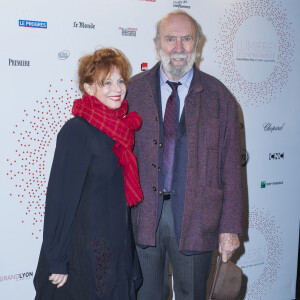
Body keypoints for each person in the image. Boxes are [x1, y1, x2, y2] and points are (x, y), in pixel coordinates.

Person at [126, 10, 243, 300]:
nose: (178, 48)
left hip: (198, 218)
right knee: (146, 296)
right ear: (157, 44)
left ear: (198, 42)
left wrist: (229, 227)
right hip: (144, 215)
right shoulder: (132, 91)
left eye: (186, 39)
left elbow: (231, 166)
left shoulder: (220, 98)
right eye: (170, 39)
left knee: (192, 295)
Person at [34, 48, 143, 300]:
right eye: (106, 82)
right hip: (85, 251)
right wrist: (57, 260)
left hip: (116, 244)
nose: (117, 88)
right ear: (89, 87)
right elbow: (60, 200)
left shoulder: (121, 130)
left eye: (120, 80)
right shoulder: (77, 131)